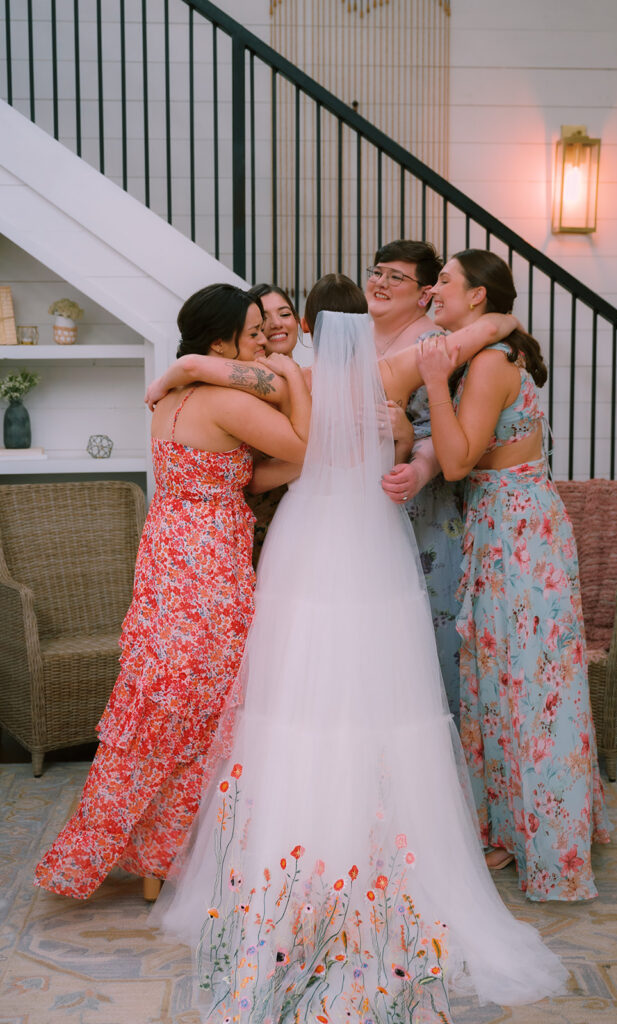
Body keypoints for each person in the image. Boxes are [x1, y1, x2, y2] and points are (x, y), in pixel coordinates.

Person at [150, 276, 568, 1023]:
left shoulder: (290, 379)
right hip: (371, 538)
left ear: (306, 325)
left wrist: (183, 368)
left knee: (298, 697)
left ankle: (289, 873)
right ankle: (385, 862)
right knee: (380, 691)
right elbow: (465, 341)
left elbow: (258, 441)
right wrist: (498, 314)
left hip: (310, 537)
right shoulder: (388, 372)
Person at [33, 283, 311, 901]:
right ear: (221, 343)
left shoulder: (180, 397)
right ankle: (162, 854)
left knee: (162, 700)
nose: (264, 341)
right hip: (206, 565)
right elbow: (304, 442)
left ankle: (149, 855)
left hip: (168, 556)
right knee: (200, 706)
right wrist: (289, 370)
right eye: (253, 332)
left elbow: (239, 474)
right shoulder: (224, 399)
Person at [413, 249, 610, 900]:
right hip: (511, 531)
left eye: (445, 281)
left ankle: (549, 846)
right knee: (503, 685)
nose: (434, 288)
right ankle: (512, 830)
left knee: (530, 690)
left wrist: (437, 381)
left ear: (479, 298)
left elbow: (458, 460)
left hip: (517, 536)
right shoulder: (496, 349)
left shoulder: (491, 364)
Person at [367, 239, 464, 722]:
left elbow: (444, 428)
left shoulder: (433, 343)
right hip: (361, 505)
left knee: (425, 628)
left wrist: (417, 461)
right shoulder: (355, 336)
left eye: (394, 277)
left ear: (424, 293)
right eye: (377, 271)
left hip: (422, 502)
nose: (379, 283)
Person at [243, 283, 303, 565]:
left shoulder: (309, 378)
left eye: (285, 313)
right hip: (265, 526)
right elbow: (251, 479)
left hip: (315, 520)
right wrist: (326, 455)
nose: (277, 324)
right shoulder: (250, 386)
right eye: (265, 318)